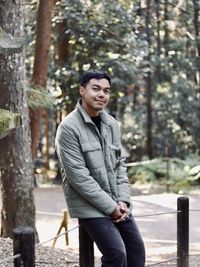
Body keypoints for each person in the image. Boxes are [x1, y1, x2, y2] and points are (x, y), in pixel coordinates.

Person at [55, 70, 145, 267]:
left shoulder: (112, 124)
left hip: (115, 201)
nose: (101, 94)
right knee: (116, 254)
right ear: (82, 90)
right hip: (88, 205)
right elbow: (78, 177)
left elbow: (119, 166)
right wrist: (110, 207)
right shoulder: (68, 128)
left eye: (106, 90)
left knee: (136, 253)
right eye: (95, 89)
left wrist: (122, 201)